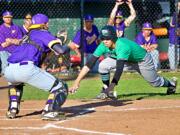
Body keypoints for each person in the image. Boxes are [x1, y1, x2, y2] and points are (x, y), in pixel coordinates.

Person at [69, 25, 177, 99]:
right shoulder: (103, 45)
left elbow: (119, 69)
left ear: (113, 38)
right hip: (121, 58)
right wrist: (77, 82)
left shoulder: (122, 46)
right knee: (102, 66)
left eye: (108, 38)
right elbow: (89, 63)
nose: (105, 41)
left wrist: (113, 86)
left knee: (155, 82)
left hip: (141, 60)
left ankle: (171, 84)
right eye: (103, 38)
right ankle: (106, 91)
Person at [4, 13, 70, 121]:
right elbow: (61, 50)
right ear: (44, 24)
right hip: (26, 68)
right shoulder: (43, 33)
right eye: (47, 23)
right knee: (61, 87)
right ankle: (50, 111)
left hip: (9, 70)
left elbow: (43, 51)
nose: (48, 25)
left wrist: (58, 40)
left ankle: (12, 109)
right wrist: (67, 45)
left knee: (16, 83)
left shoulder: (27, 35)